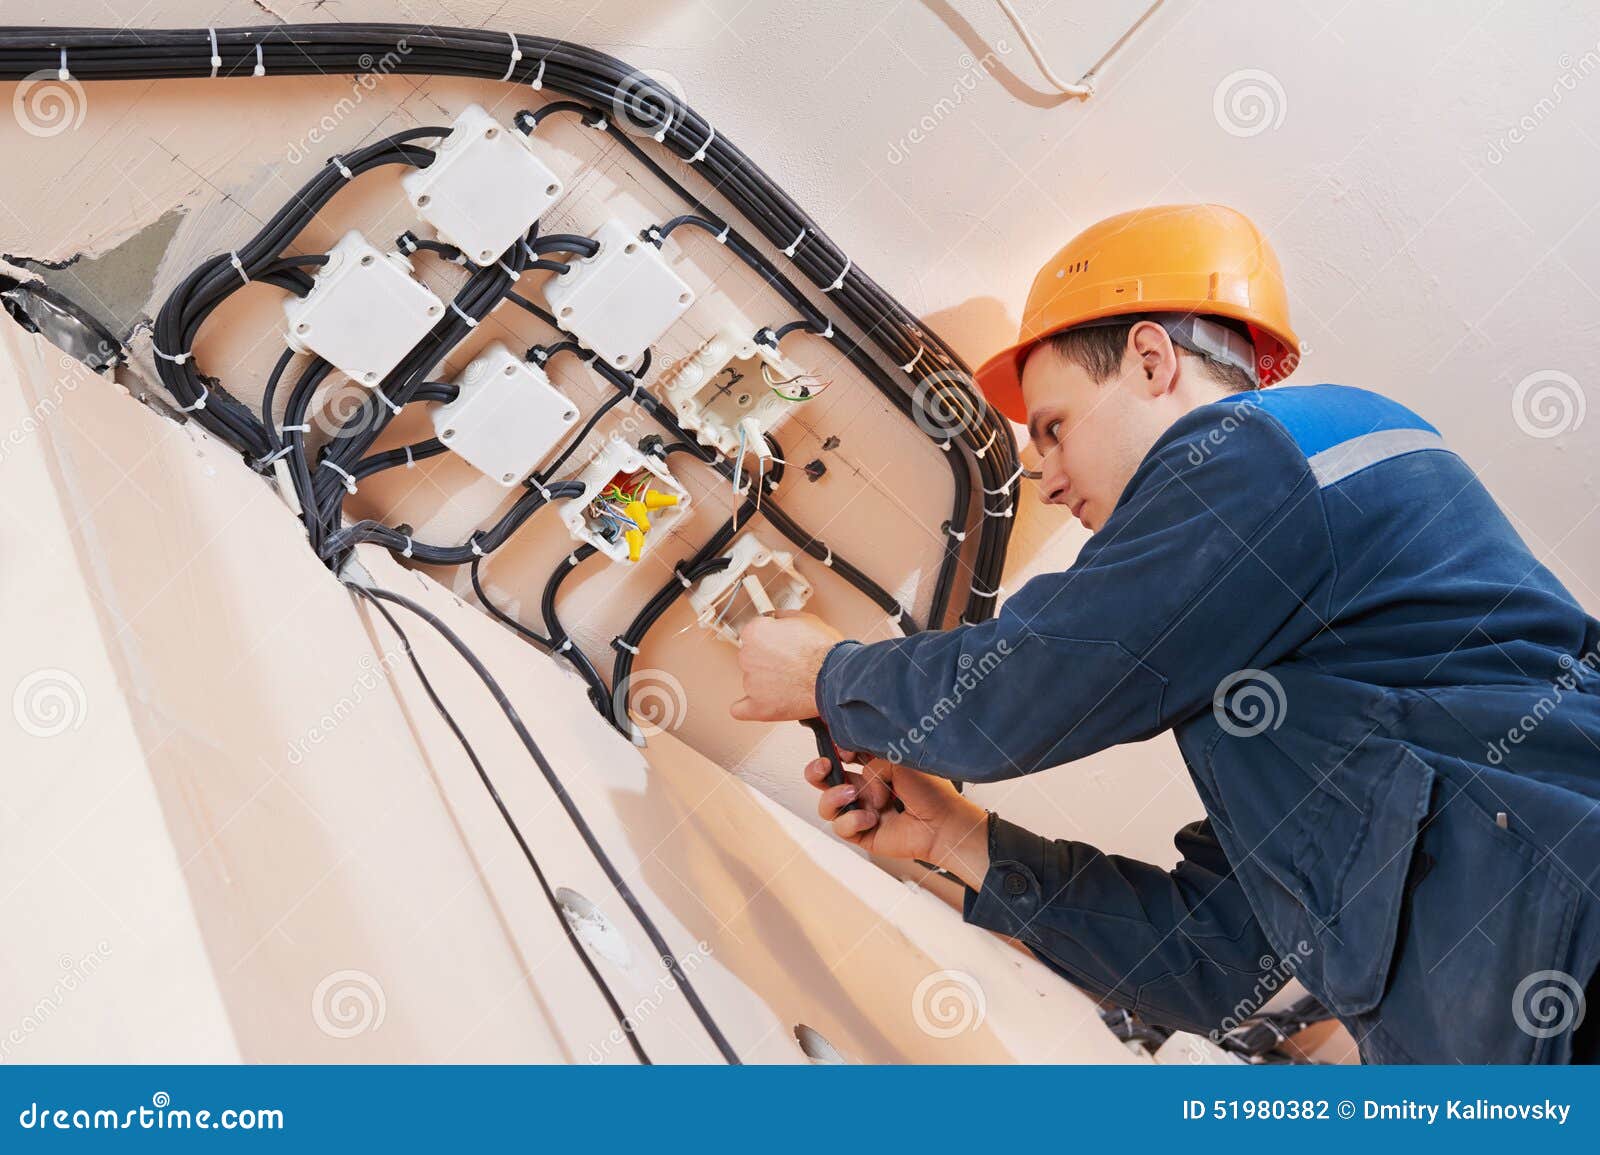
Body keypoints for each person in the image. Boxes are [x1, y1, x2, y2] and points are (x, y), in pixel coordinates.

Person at [730, 204, 1600, 1063]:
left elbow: (1031, 682)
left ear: (1151, 360)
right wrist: (955, 838)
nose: (1049, 479)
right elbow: (1224, 965)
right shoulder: (1300, 673)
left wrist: (823, 672)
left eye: (1056, 427)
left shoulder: (1278, 446)